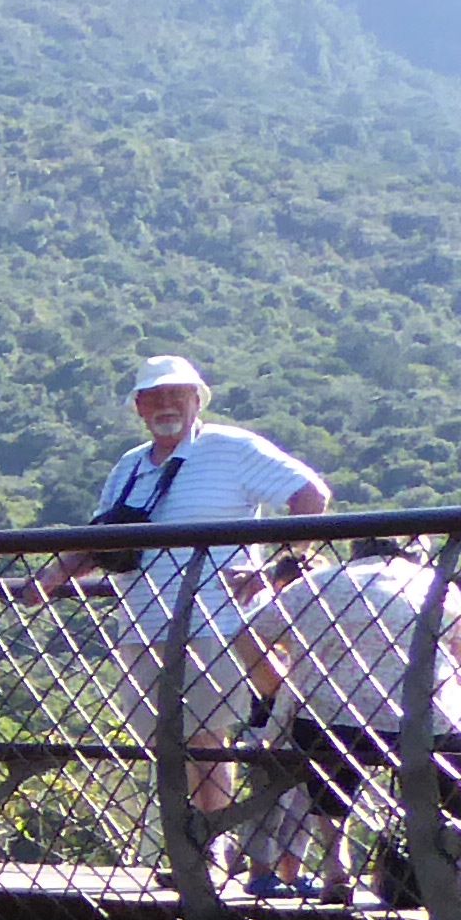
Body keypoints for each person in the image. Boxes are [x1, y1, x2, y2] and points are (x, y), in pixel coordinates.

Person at [73, 355, 327, 828]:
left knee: (208, 736)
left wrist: (276, 567)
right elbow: (100, 540)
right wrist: (44, 582)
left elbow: (310, 496)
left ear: (196, 401)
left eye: (177, 394)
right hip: (142, 620)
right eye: (155, 396)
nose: (166, 404)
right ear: (139, 407)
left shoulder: (230, 447)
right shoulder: (129, 467)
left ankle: (211, 843)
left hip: (216, 618)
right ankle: (191, 842)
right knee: (167, 742)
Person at [239, 528, 461, 900]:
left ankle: (337, 869)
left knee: (327, 763)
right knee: (457, 764)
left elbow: (248, 632)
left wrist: (278, 686)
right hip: (420, 720)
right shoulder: (433, 584)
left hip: (332, 718)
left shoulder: (315, 584)